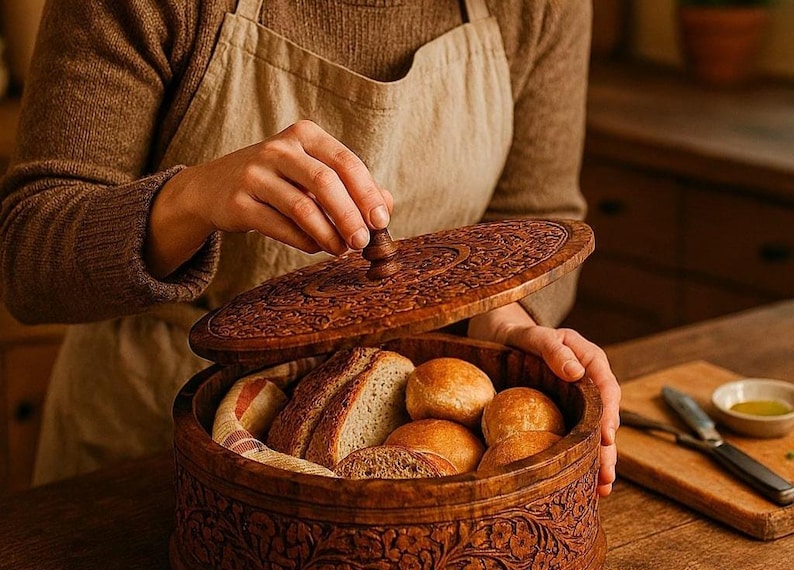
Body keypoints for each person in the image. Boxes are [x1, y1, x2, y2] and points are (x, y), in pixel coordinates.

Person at [0, 0, 620, 492]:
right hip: (146, 456)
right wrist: (190, 200)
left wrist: (503, 319)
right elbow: (27, 259)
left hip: (405, 459)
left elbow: (531, 218)